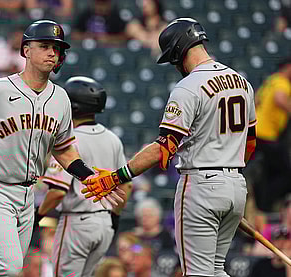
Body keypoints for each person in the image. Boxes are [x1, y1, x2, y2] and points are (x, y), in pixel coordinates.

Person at [0, 20, 120, 277]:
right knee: (7, 267)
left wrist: (89, 176)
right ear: (26, 50)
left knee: (9, 271)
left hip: (27, 194)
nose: (53, 53)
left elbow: (62, 149)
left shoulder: (60, 98)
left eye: (57, 48)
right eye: (45, 46)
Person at [81, 17, 257, 277]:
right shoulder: (243, 83)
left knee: (197, 273)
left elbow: (164, 148)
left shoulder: (188, 86)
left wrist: (116, 177)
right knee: (217, 270)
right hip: (236, 186)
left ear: (178, 50)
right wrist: (226, 183)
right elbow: (250, 144)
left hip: (201, 186)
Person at [35, 76, 131, 277]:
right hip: (105, 224)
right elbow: (126, 187)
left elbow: (57, 192)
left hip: (77, 222)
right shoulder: (112, 138)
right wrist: (115, 216)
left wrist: (37, 217)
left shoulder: (68, 141)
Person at [253, 57, 291, 213]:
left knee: (269, 171)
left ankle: (262, 203)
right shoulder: (283, 83)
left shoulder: (271, 80)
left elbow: (256, 99)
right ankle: (266, 205)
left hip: (256, 132)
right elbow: (279, 98)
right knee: (287, 174)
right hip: (267, 135)